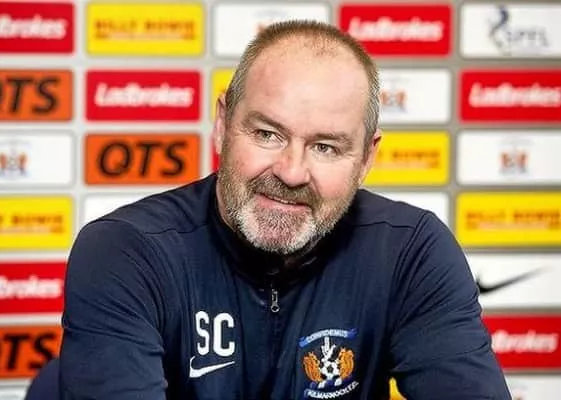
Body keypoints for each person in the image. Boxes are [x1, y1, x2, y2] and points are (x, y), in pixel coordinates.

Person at [58, 20, 511, 400]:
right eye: (267, 134)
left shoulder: (411, 251)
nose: (292, 172)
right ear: (223, 125)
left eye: (325, 147)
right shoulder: (126, 250)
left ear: (366, 159)